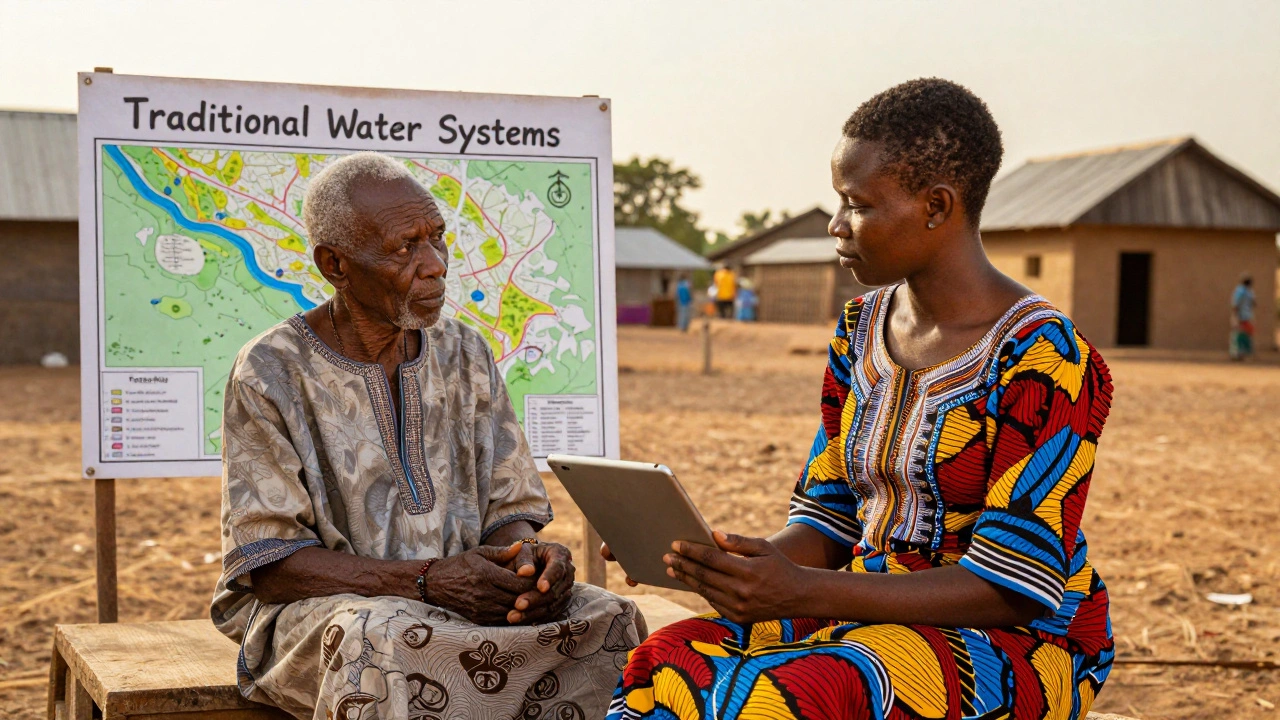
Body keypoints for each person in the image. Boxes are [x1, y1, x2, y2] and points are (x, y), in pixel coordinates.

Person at [604, 79, 1114, 720]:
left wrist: (804, 592)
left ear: (936, 206)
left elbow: (1016, 586)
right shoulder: (860, 328)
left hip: (1022, 639)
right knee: (672, 653)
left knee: (804, 691)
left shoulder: (1045, 357)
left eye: (857, 204)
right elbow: (829, 517)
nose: (835, 224)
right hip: (862, 601)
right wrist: (716, 563)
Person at [211, 152, 641, 720]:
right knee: (382, 641)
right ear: (335, 265)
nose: (435, 263)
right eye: (404, 247)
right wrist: (426, 581)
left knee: (608, 619)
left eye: (438, 238)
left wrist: (528, 562)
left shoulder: (466, 353)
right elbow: (271, 564)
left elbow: (507, 509)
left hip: (467, 601)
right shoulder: (270, 370)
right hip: (327, 614)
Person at [1231, 274, 1255, 360]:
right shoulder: (1249, 292)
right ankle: (1242, 354)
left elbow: (1235, 304)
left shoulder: (1240, 291)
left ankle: (1238, 354)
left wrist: (1235, 315)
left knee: (1239, 334)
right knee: (1245, 334)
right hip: (1246, 316)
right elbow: (1254, 303)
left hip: (1241, 316)